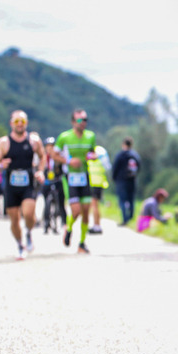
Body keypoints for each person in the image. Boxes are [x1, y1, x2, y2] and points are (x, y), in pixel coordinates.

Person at [0, 110, 46, 260]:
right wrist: (1, 165)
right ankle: (19, 244)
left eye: (22, 121)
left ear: (26, 123)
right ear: (11, 124)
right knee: (14, 219)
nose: (20, 124)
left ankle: (28, 233)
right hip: (11, 184)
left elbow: (43, 157)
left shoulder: (33, 140)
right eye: (17, 121)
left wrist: (40, 171)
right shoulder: (4, 142)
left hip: (28, 182)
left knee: (29, 214)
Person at [53, 108, 99, 254]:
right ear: (73, 122)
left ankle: (82, 243)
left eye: (85, 120)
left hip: (84, 176)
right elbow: (54, 154)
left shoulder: (90, 136)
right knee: (76, 211)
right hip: (70, 177)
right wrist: (68, 161)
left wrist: (93, 156)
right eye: (80, 120)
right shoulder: (64, 137)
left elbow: (93, 152)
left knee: (86, 211)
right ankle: (69, 227)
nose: (83, 123)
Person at [111, 136, 141, 226]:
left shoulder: (120, 155)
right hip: (132, 180)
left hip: (121, 181)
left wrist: (114, 178)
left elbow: (115, 167)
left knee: (122, 200)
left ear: (123, 144)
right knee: (131, 199)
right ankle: (131, 217)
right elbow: (139, 167)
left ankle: (125, 219)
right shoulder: (135, 155)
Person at [40, 137, 66, 234]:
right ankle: (46, 222)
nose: (50, 149)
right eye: (48, 146)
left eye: (52, 146)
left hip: (57, 180)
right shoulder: (43, 157)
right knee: (46, 200)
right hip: (47, 181)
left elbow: (64, 166)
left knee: (60, 200)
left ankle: (63, 220)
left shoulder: (58, 156)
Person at [87, 144, 112, 234]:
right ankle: (96, 225)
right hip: (96, 184)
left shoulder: (98, 156)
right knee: (93, 205)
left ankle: (97, 225)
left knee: (94, 205)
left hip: (95, 184)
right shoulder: (101, 155)